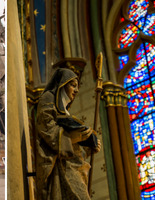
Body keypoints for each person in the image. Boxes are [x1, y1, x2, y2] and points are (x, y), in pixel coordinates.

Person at [34, 68, 101, 200]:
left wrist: (89, 146)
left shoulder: (65, 112)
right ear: (62, 85)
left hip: (74, 167)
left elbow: (74, 149)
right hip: (62, 168)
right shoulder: (48, 98)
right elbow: (47, 129)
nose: (76, 90)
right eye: (73, 85)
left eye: (77, 87)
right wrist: (71, 138)